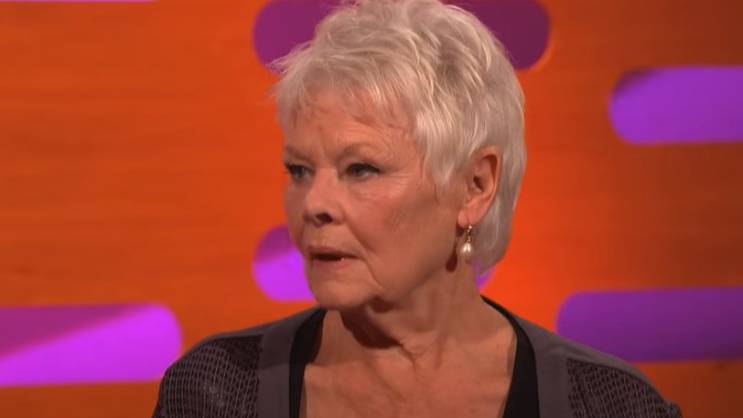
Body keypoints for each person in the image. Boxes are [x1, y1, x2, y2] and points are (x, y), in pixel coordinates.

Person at [153, 1, 681, 417]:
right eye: (300, 170)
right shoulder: (215, 392)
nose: (314, 204)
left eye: (361, 169)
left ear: (474, 186)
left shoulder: (609, 405)